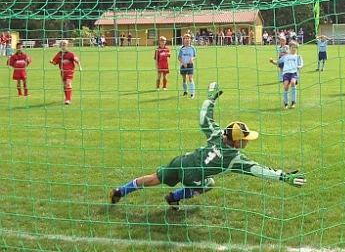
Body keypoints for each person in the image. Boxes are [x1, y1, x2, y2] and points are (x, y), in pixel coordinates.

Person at [108, 83, 306, 208]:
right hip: (193, 176)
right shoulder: (234, 158)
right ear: (237, 141)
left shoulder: (217, 134)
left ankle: (120, 191)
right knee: (209, 184)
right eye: (245, 139)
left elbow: (204, 118)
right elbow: (259, 170)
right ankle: (174, 196)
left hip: (182, 161)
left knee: (154, 178)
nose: (247, 142)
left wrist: (210, 98)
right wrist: (283, 176)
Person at [270, 41, 303, 109]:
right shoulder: (285, 56)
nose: (294, 49)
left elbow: (301, 64)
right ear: (290, 48)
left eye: (295, 48)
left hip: (294, 73)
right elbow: (278, 62)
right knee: (285, 86)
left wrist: (299, 67)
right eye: (292, 47)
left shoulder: (298, 56)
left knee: (293, 83)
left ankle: (293, 102)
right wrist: (272, 61)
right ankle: (286, 103)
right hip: (286, 73)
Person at [50, 40, 82, 105]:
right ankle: (67, 97)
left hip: (70, 71)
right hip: (62, 72)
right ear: (60, 46)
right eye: (62, 44)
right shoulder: (59, 54)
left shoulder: (71, 54)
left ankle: (68, 100)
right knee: (65, 85)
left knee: (68, 84)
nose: (64, 45)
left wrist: (80, 67)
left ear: (67, 45)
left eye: (65, 44)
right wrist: (51, 62)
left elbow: (77, 61)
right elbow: (55, 62)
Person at [178, 34, 197, 98]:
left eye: (188, 38)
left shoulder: (192, 48)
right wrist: (183, 63)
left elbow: (195, 56)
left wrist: (192, 59)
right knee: (184, 79)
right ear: (183, 40)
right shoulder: (181, 48)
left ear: (190, 40)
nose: (187, 40)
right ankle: (185, 91)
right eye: (185, 38)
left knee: (190, 78)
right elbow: (179, 57)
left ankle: (192, 93)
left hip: (190, 65)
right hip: (183, 65)